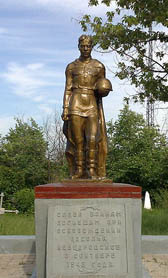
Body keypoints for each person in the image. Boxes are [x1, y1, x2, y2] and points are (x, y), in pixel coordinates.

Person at [62, 35, 112, 180]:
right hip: (76, 102)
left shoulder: (99, 66)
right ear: (78, 46)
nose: (85, 49)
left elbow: (102, 86)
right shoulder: (71, 67)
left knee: (92, 138)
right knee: (77, 140)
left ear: (92, 47)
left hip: (91, 103)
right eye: (83, 46)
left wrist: (104, 91)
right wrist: (65, 108)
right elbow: (67, 89)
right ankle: (78, 171)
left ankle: (91, 170)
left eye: (88, 46)